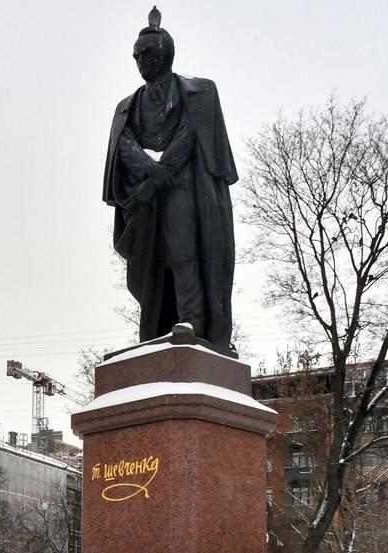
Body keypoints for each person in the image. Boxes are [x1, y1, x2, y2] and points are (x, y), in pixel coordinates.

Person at [103, 6, 239, 351]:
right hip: (145, 195)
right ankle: (155, 331)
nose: (139, 59)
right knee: (149, 267)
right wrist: (150, 170)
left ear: (165, 54)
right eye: (135, 55)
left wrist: (166, 169)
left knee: (184, 252)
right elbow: (124, 145)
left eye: (146, 53)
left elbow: (193, 132)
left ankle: (191, 320)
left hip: (183, 188)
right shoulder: (126, 106)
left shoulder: (200, 92)